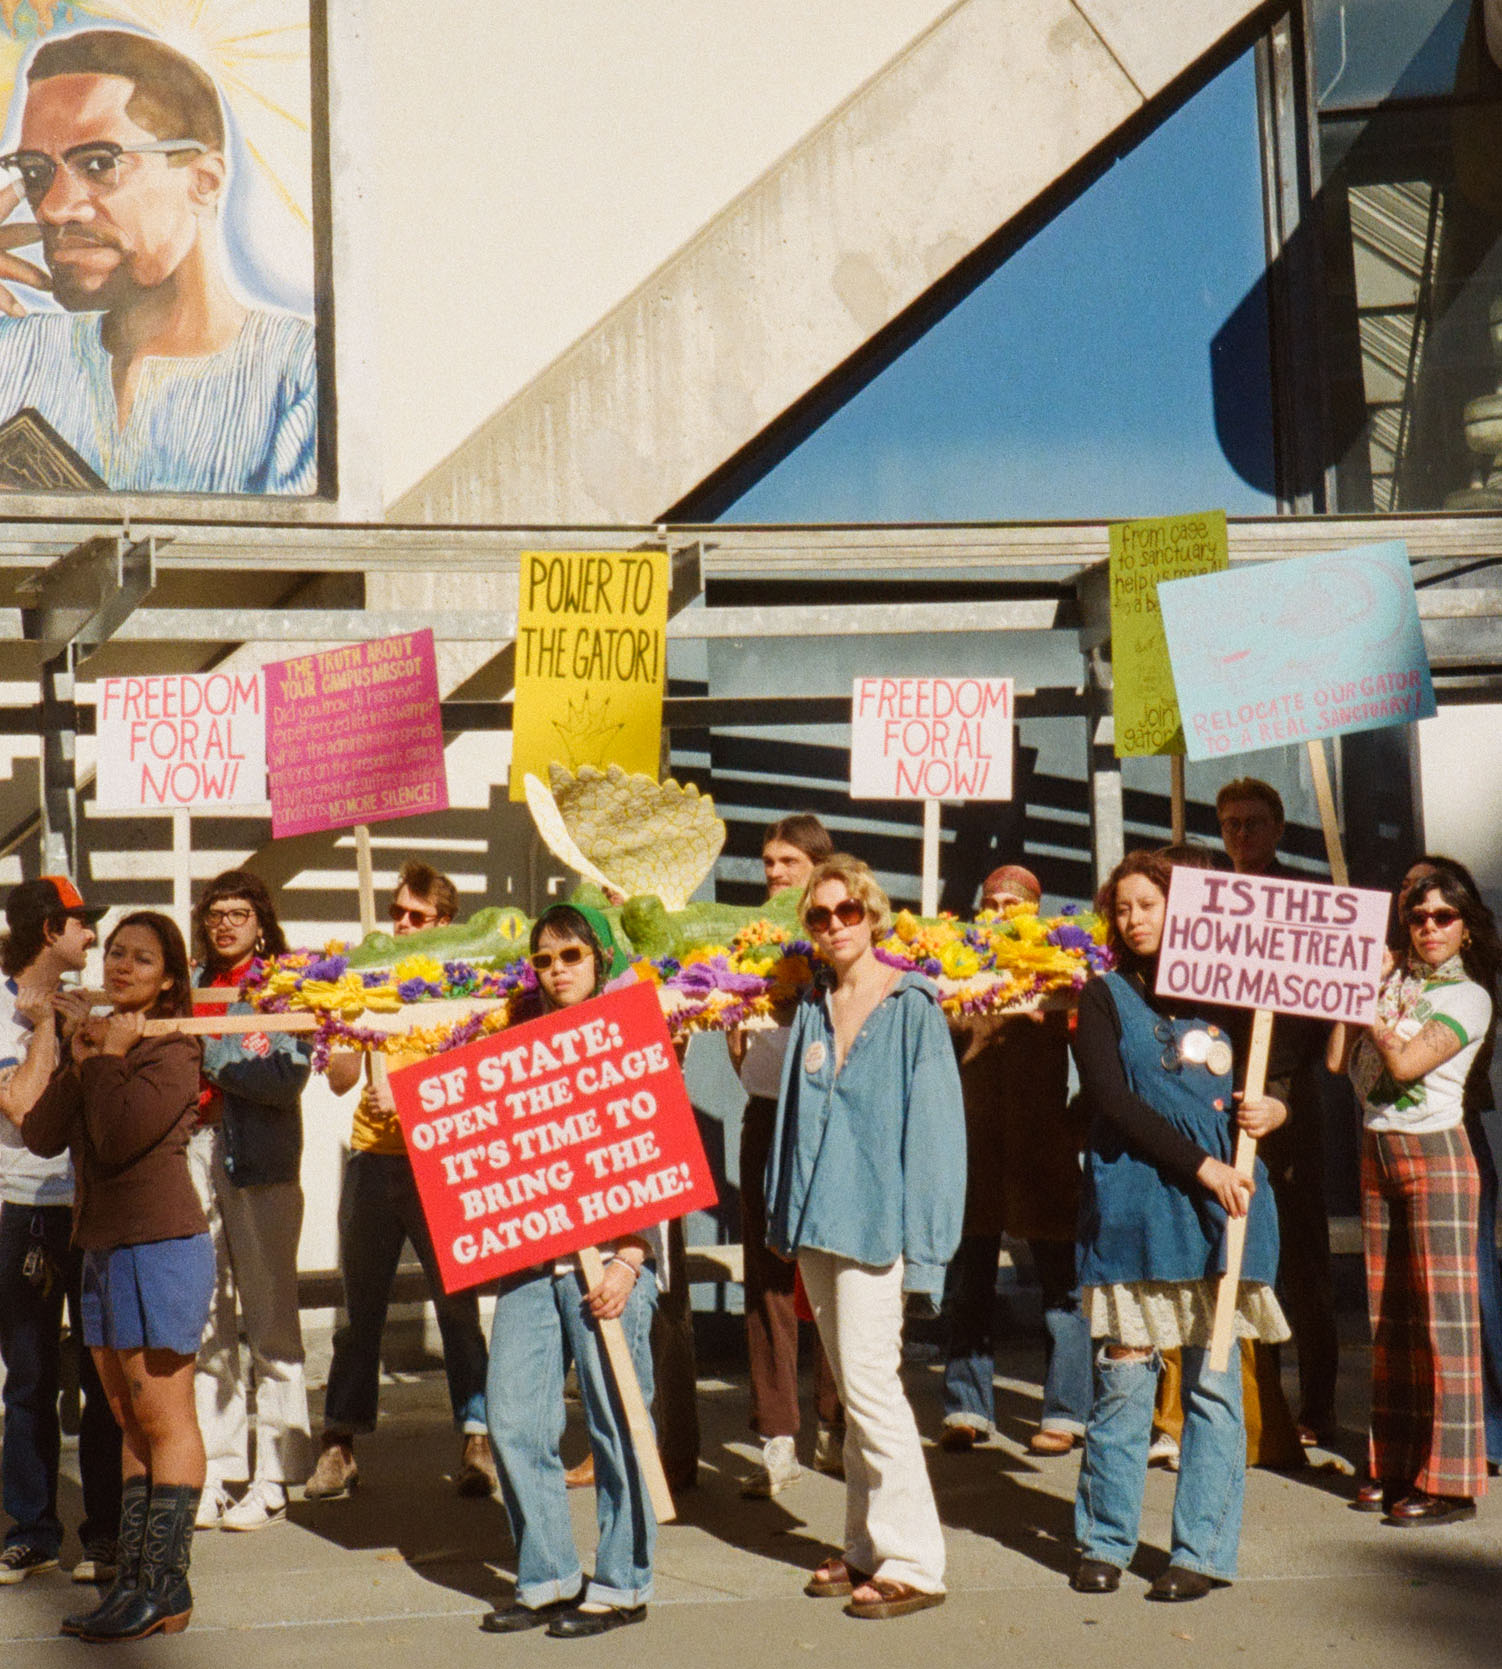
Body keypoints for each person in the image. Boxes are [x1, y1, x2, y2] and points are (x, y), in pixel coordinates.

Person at [1070, 850, 1289, 1603]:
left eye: (1149, 904)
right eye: (1122, 907)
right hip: (1137, 1200)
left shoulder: (1235, 993)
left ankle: (1201, 1547)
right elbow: (1112, 1097)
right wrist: (1202, 1164)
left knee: (1213, 1382)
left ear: (1180, 911)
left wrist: (1276, 1109)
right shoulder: (1103, 997)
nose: (1134, 919)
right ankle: (1104, 1537)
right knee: (1127, 1375)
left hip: (1222, 1207)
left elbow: (1276, 1071)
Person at [767, 855, 964, 1620]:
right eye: (819, 916)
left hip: (878, 1223)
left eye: (847, 910)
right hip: (818, 1220)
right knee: (852, 1388)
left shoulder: (910, 1002)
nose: (835, 926)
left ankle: (915, 1557)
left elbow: (938, 1134)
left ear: (873, 913)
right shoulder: (813, 1002)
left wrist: (930, 1247)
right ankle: (862, 1544)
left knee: (874, 1388)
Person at [0, 28, 316, 493]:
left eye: (98, 165)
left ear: (204, 181)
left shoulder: (298, 373)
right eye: (35, 173)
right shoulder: (11, 353)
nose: (53, 208)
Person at [23, 912, 212, 1642]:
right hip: (101, 1247)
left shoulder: (173, 1046)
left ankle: (164, 1584)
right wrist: (76, 1049)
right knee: (129, 1418)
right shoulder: (104, 1041)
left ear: (169, 977)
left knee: (166, 1417)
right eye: (114, 953)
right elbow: (41, 1133)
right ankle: (134, 1580)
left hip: (161, 1244)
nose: (123, 966)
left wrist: (104, 1058)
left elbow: (117, 1135)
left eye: (142, 957)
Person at [481, 902, 663, 1638]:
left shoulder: (637, 1030)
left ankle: (622, 1581)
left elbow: (659, 1153)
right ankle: (549, 1572)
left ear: (600, 960)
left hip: (611, 1259)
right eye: (546, 958)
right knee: (512, 1416)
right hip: (532, 1260)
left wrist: (631, 1256)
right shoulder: (515, 1038)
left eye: (572, 956)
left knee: (619, 1422)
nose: (558, 970)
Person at [308, 860, 495, 1500]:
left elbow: (479, 1081)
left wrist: (414, 1099)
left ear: (445, 922)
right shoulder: (371, 977)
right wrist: (342, 1034)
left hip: (440, 1159)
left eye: (417, 915)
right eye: (396, 912)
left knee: (459, 1308)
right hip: (374, 1157)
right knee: (360, 1311)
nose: (402, 923)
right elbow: (338, 1079)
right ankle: (339, 1443)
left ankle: (478, 1436)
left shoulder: (464, 985)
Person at [1331, 866, 1497, 1525]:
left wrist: (1372, 1006)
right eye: (1418, 916)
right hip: (1379, 1146)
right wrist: (1350, 992)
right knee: (1390, 1318)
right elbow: (1337, 1062)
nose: (1428, 926)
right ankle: (1396, 1462)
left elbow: (1403, 1065)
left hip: (1437, 1154)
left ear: (1466, 926)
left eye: (1443, 917)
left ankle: (1452, 1482)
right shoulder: (1394, 977)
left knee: (1444, 1322)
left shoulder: (1470, 996)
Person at [940, 863, 1090, 1459]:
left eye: (1013, 903)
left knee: (1063, 1289)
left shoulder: (1060, 973)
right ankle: (966, 1405)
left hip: (1042, 1152)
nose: (1000, 912)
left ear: (1037, 909)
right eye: (990, 902)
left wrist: (1073, 1126)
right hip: (973, 1151)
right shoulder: (956, 972)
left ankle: (1066, 1410)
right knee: (969, 1281)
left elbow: (1102, 1056)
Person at [0, 877, 120, 1586]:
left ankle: (103, 1532)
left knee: (105, 1375)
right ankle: (32, 1529)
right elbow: (23, 1108)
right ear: (50, 929)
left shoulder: (91, 997)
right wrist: (44, 1025)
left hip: (94, 1202)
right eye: (83, 923)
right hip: (27, 1205)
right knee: (31, 1373)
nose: (93, 937)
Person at [1216, 777, 1339, 1445]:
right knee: (1236, 1248)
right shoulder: (1211, 899)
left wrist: (1284, 1094)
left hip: (1289, 1090)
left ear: (1279, 828)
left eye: (1254, 823)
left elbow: (1324, 1015)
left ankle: (1318, 1403)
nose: (1242, 835)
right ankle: (1254, 1401)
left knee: (1303, 1257)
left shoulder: (1311, 900)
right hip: (1224, 1090)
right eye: (1231, 824)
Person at [188, 870, 313, 1530]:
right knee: (207, 1320)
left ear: (261, 920)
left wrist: (206, 1051)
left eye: (239, 911)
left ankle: (276, 1473)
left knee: (271, 1320)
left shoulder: (283, 985)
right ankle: (215, 1465)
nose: (225, 923)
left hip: (259, 1159)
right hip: (193, 1151)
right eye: (216, 912)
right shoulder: (189, 981)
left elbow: (283, 1076)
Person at [731, 812, 845, 1496]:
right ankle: (777, 1433)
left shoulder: (836, 933)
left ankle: (836, 1422)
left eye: (788, 862)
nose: (774, 872)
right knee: (769, 1278)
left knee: (830, 1269)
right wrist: (738, 1044)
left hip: (826, 1116)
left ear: (817, 868)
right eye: (768, 861)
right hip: (767, 1112)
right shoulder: (745, 936)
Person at [1394, 855, 1502, 1476]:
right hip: (1395, 1136)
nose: (1424, 912)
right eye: (1411, 900)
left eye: (1437, 905)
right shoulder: (1397, 966)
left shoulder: (1467, 978)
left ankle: (1487, 1429)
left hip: (1454, 1128)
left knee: (1471, 1287)